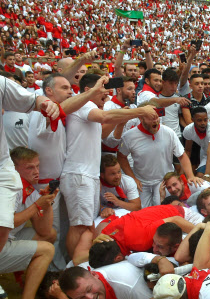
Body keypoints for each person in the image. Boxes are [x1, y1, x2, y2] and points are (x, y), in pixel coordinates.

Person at [60, 74, 158, 259]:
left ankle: (80, 263)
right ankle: (73, 267)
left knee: (87, 225)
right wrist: (139, 111)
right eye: (103, 89)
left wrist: (121, 118)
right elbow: (105, 116)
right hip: (79, 174)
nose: (107, 94)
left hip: (85, 174)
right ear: (89, 91)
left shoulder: (90, 109)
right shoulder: (83, 104)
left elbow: (102, 132)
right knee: (80, 226)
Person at [0, 71, 61, 299]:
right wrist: (37, 205)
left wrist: (48, 202)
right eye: (30, 168)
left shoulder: (31, 190)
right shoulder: (11, 185)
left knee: (51, 236)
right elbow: (7, 221)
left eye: (37, 167)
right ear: (15, 168)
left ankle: (26, 276)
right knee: (47, 249)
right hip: (4, 240)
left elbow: (46, 232)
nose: (36, 172)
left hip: (9, 239)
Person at [117, 107, 198, 208]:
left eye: (157, 118)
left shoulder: (169, 132)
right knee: (142, 211)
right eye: (151, 118)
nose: (155, 121)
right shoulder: (129, 136)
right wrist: (133, 178)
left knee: (162, 208)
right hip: (141, 182)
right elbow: (121, 157)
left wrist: (190, 175)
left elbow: (181, 155)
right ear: (141, 119)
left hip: (164, 181)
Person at [98, 154, 141, 221]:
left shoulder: (128, 182)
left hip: (125, 214)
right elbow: (91, 206)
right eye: (113, 174)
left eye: (119, 172)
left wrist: (117, 202)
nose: (118, 176)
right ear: (102, 175)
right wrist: (103, 209)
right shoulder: (97, 185)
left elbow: (137, 207)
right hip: (104, 217)